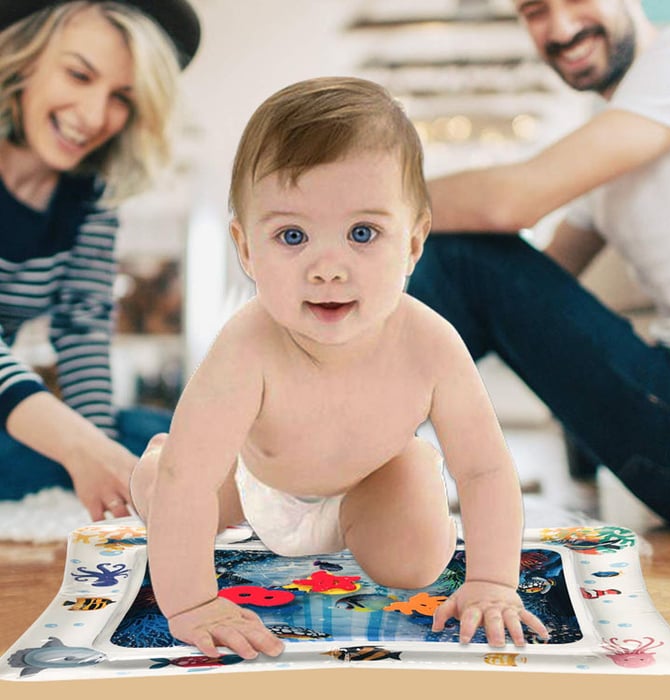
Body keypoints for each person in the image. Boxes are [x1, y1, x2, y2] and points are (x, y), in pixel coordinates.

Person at [130, 76, 550, 660]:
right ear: (246, 249)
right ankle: (149, 465)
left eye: (362, 233)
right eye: (292, 235)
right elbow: (191, 481)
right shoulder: (247, 345)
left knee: (417, 563)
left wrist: (491, 582)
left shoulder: (431, 344)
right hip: (255, 488)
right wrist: (193, 602)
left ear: (412, 242)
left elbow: (482, 470)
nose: (328, 268)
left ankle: (400, 485)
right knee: (175, 486)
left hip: (370, 484)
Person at [407, 0, 670, 532]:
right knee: (465, 263)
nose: (560, 28)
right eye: (535, 11)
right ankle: (339, 445)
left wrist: (355, 201)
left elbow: (510, 206)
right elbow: (536, 283)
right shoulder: (611, 129)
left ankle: (319, 449)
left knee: (461, 259)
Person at [0, 0, 200, 520]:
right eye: (78, 74)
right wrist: (81, 450)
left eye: (120, 98)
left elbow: (82, 327)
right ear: (25, 59)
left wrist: (107, 473)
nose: (93, 116)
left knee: (159, 437)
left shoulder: (92, 198)